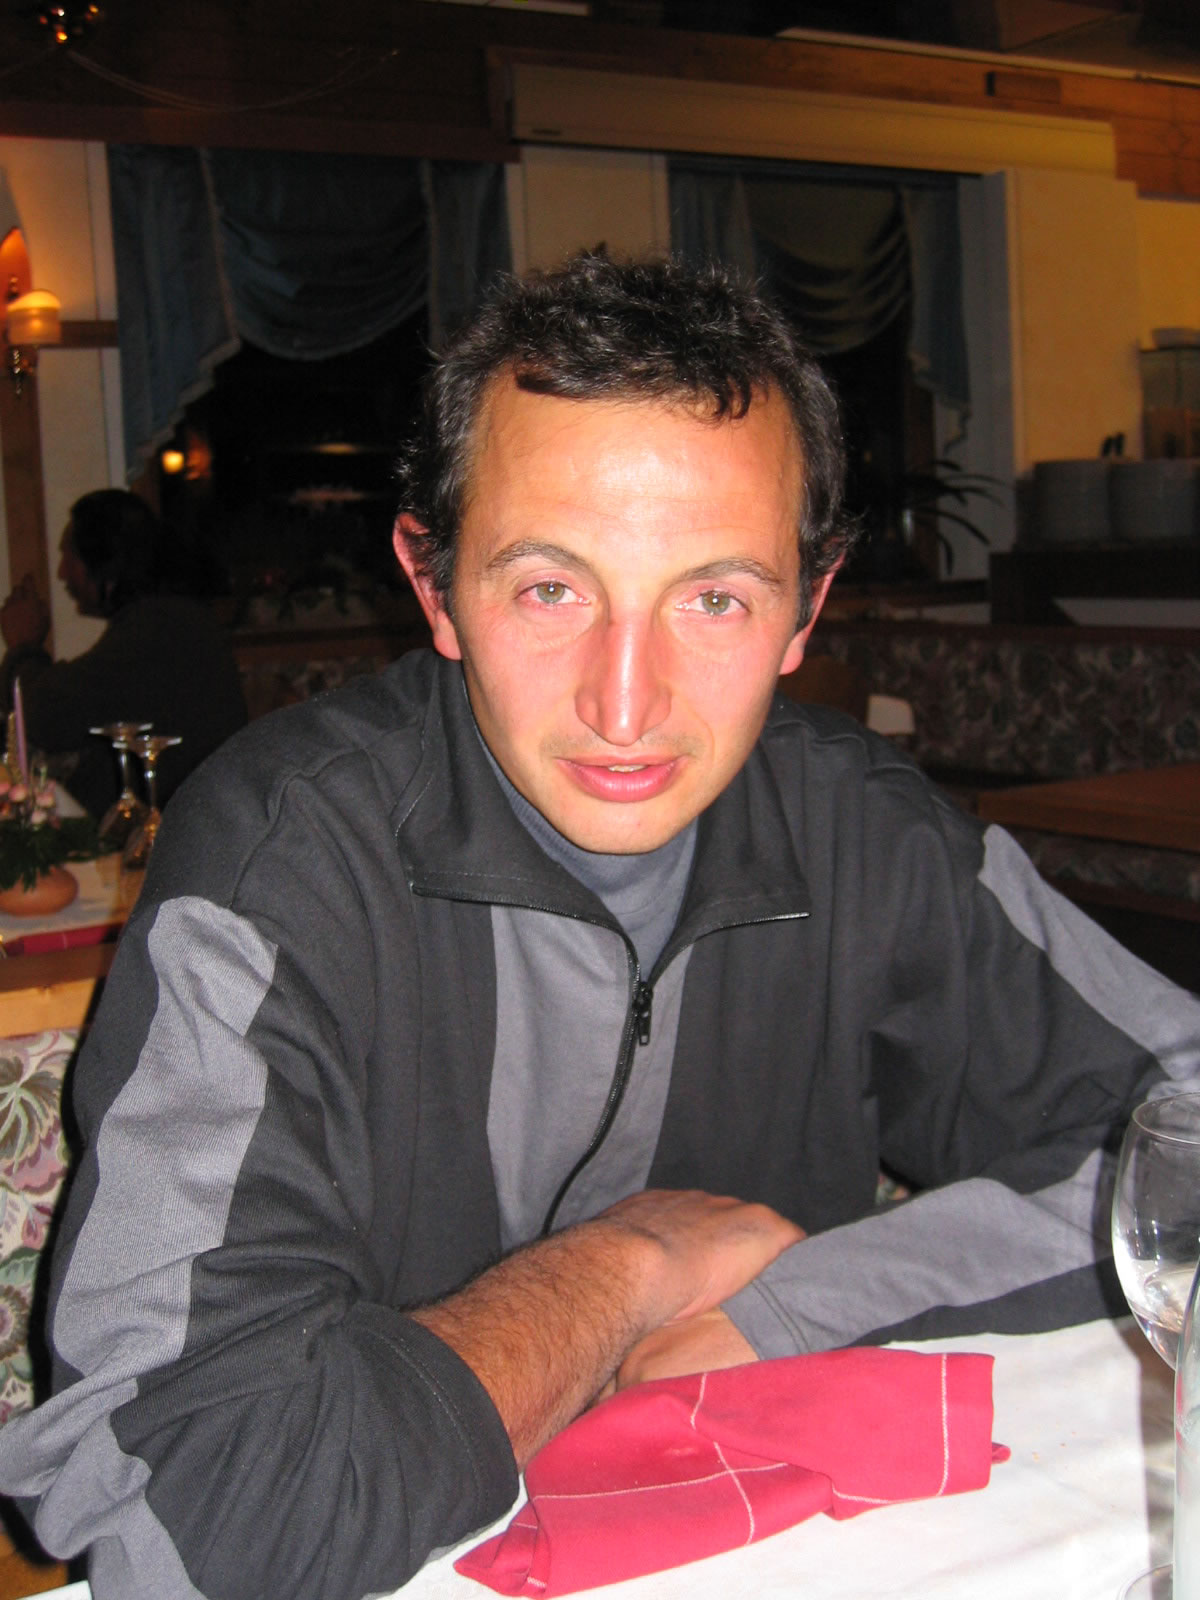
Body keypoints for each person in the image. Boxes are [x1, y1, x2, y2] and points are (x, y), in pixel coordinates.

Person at [0, 254, 1196, 1600]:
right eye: (550, 589)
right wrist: (630, 1270)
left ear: (806, 609)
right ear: (435, 585)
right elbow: (186, 1510)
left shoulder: (870, 832)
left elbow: (1182, 1136)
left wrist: (788, 1306)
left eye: (715, 597)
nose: (626, 707)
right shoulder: (280, 860)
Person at [0, 489, 248, 818]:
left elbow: (46, 716)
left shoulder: (159, 631)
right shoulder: (170, 621)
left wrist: (23, 647)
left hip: (190, 826)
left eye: (69, 556)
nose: (61, 573)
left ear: (103, 563)